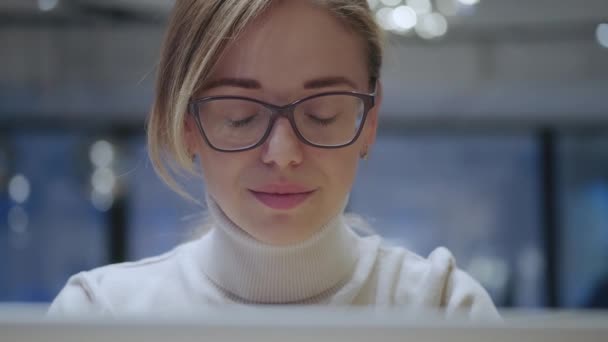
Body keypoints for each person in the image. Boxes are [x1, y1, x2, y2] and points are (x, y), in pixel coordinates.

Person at [48, 0, 499, 319]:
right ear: (186, 123)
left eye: (323, 114)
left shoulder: (441, 309)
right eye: (241, 117)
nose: (283, 154)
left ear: (370, 117)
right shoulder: (101, 316)